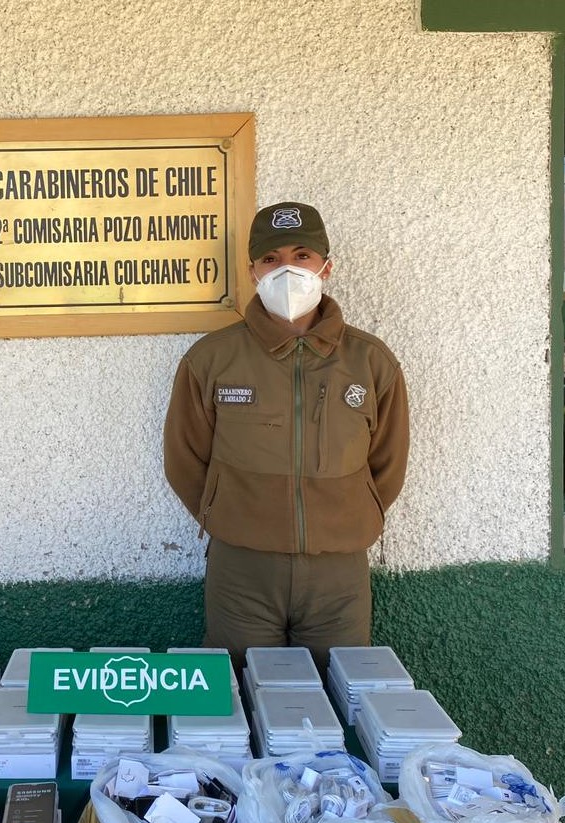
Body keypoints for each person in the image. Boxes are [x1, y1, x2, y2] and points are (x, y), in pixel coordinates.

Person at [163, 201, 409, 677]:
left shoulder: (371, 362)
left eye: (302, 256)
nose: (288, 270)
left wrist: (346, 516)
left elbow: (388, 462)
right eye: (271, 259)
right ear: (252, 270)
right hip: (242, 571)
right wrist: (229, 515)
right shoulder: (211, 359)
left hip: (339, 574)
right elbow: (185, 458)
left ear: (326, 267)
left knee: (340, 703)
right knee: (239, 702)